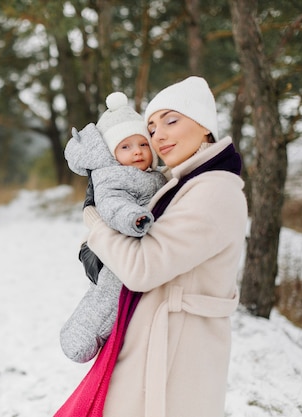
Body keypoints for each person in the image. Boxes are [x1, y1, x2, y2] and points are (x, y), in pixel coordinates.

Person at [55, 76, 247, 417]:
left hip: (179, 350)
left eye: (171, 120)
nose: (159, 135)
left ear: (205, 126)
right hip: (155, 338)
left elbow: (143, 269)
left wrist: (96, 225)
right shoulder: (180, 182)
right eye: (153, 127)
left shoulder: (213, 191)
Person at [60, 92, 166, 363]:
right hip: (119, 240)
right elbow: (113, 205)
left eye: (143, 144)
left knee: (120, 298)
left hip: (134, 246)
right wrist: (134, 218)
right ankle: (83, 333)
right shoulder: (111, 177)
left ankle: (108, 335)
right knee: (109, 293)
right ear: (113, 153)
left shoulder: (154, 175)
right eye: (126, 147)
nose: (137, 152)